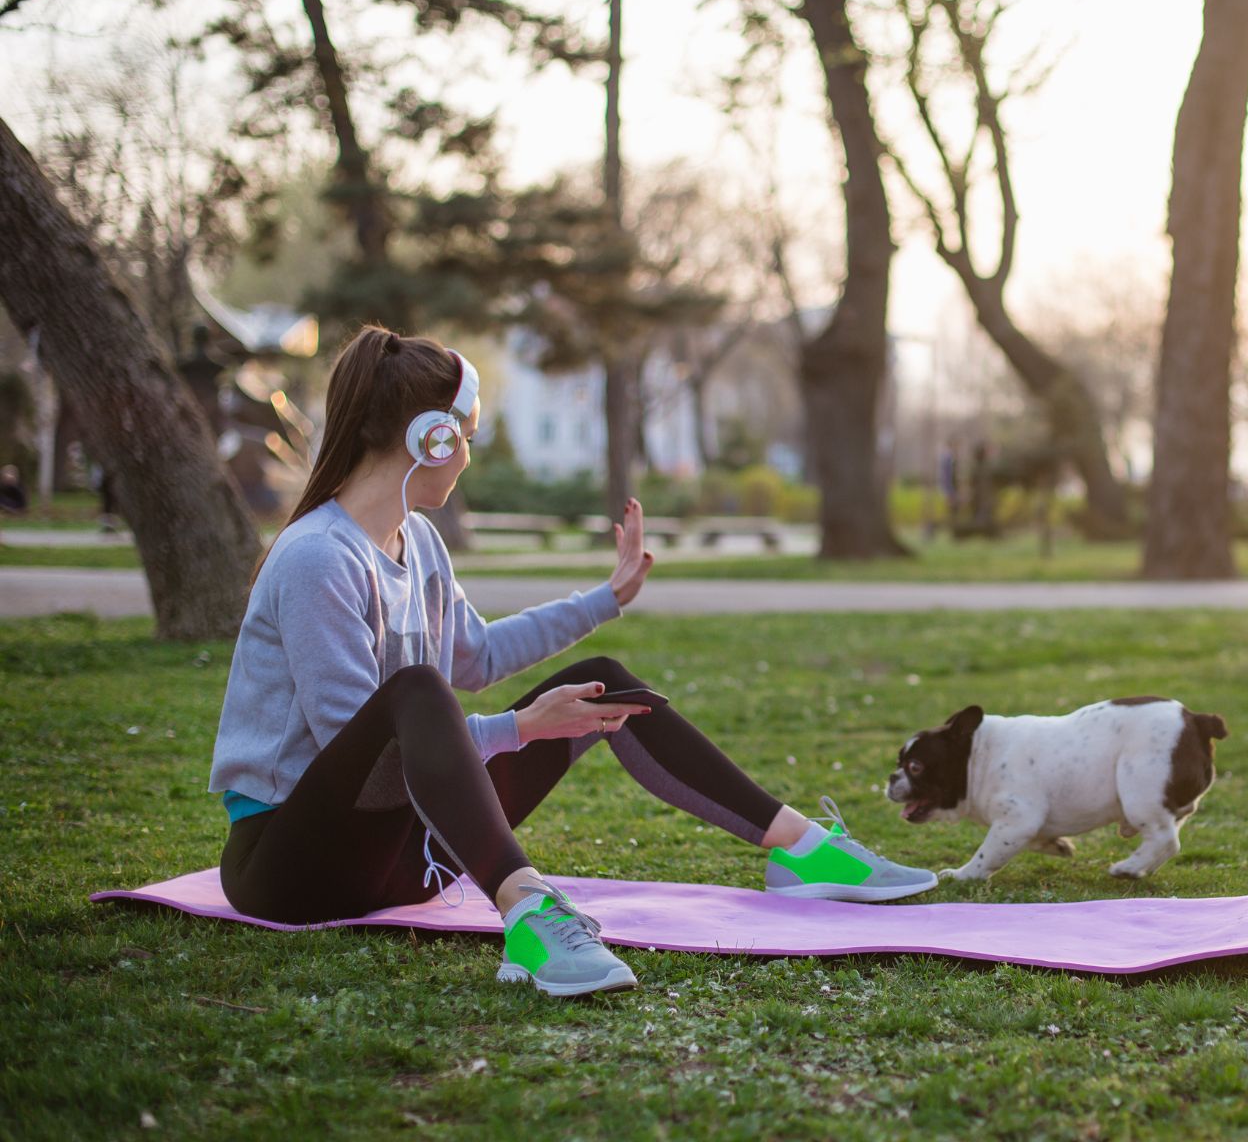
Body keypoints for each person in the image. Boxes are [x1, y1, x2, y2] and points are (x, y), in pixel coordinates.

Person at [209, 326, 935, 999]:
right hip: (290, 866)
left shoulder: (420, 544)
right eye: (461, 436)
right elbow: (357, 742)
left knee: (605, 683)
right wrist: (520, 729)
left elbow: (479, 654)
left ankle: (801, 851)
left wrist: (605, 599)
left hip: (397, 859)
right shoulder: (316, 558)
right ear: (427, 440)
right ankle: (527, 916)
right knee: (417, 691)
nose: (467, 454)